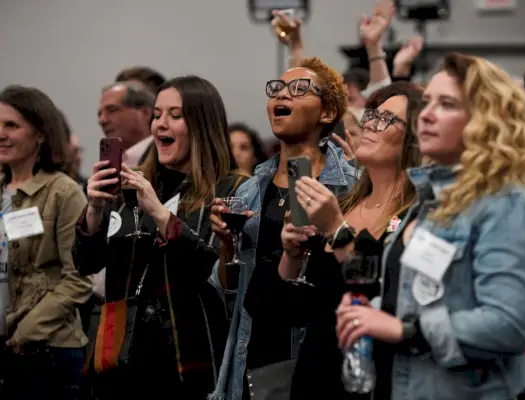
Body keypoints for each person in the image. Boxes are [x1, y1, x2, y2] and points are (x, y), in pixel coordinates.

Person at [336, 53, 525, 399]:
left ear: (486, 121)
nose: (426, 114)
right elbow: (422, 296)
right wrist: (370, 313)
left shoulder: (511, 205)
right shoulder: (433, 198)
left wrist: (404, 329)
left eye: (447, 104)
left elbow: (508, 325)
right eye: (428, 103)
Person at [73, 76, 247, 399]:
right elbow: (86, 263)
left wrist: (160, 214)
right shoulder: (131, 184)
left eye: (175, 116)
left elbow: (214, 275)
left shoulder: (231, 189)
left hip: (188, 361)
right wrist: (95, 210)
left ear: (202, 125)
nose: (160, 125)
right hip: (122, 359)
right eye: (157, 114)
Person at [208, 57, 358, 400]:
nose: (282, 96)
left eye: (300, 89)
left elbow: (362, 272)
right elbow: (231, 292)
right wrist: (227, 246)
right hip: (253, 350)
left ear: (327, 113)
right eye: (277, 89)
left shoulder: (350, 188)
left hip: (317, 356)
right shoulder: (248, 190)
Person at [277, 81, 423, 399]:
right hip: (316, 371)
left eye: (385, 119)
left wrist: (335, 230)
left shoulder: (417, 215)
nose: (369, 123)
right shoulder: (343, 204)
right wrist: (292, 256)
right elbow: (296, 309)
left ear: (415, 139)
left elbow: (384, 291)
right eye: (370, 115)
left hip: (376, 376)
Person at [0, 85, 91, 399]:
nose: (1, 134)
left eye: (11, 126)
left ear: (40, 134)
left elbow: (79, 278)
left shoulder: (63, 192)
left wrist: (25, 333)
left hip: (48, 350)